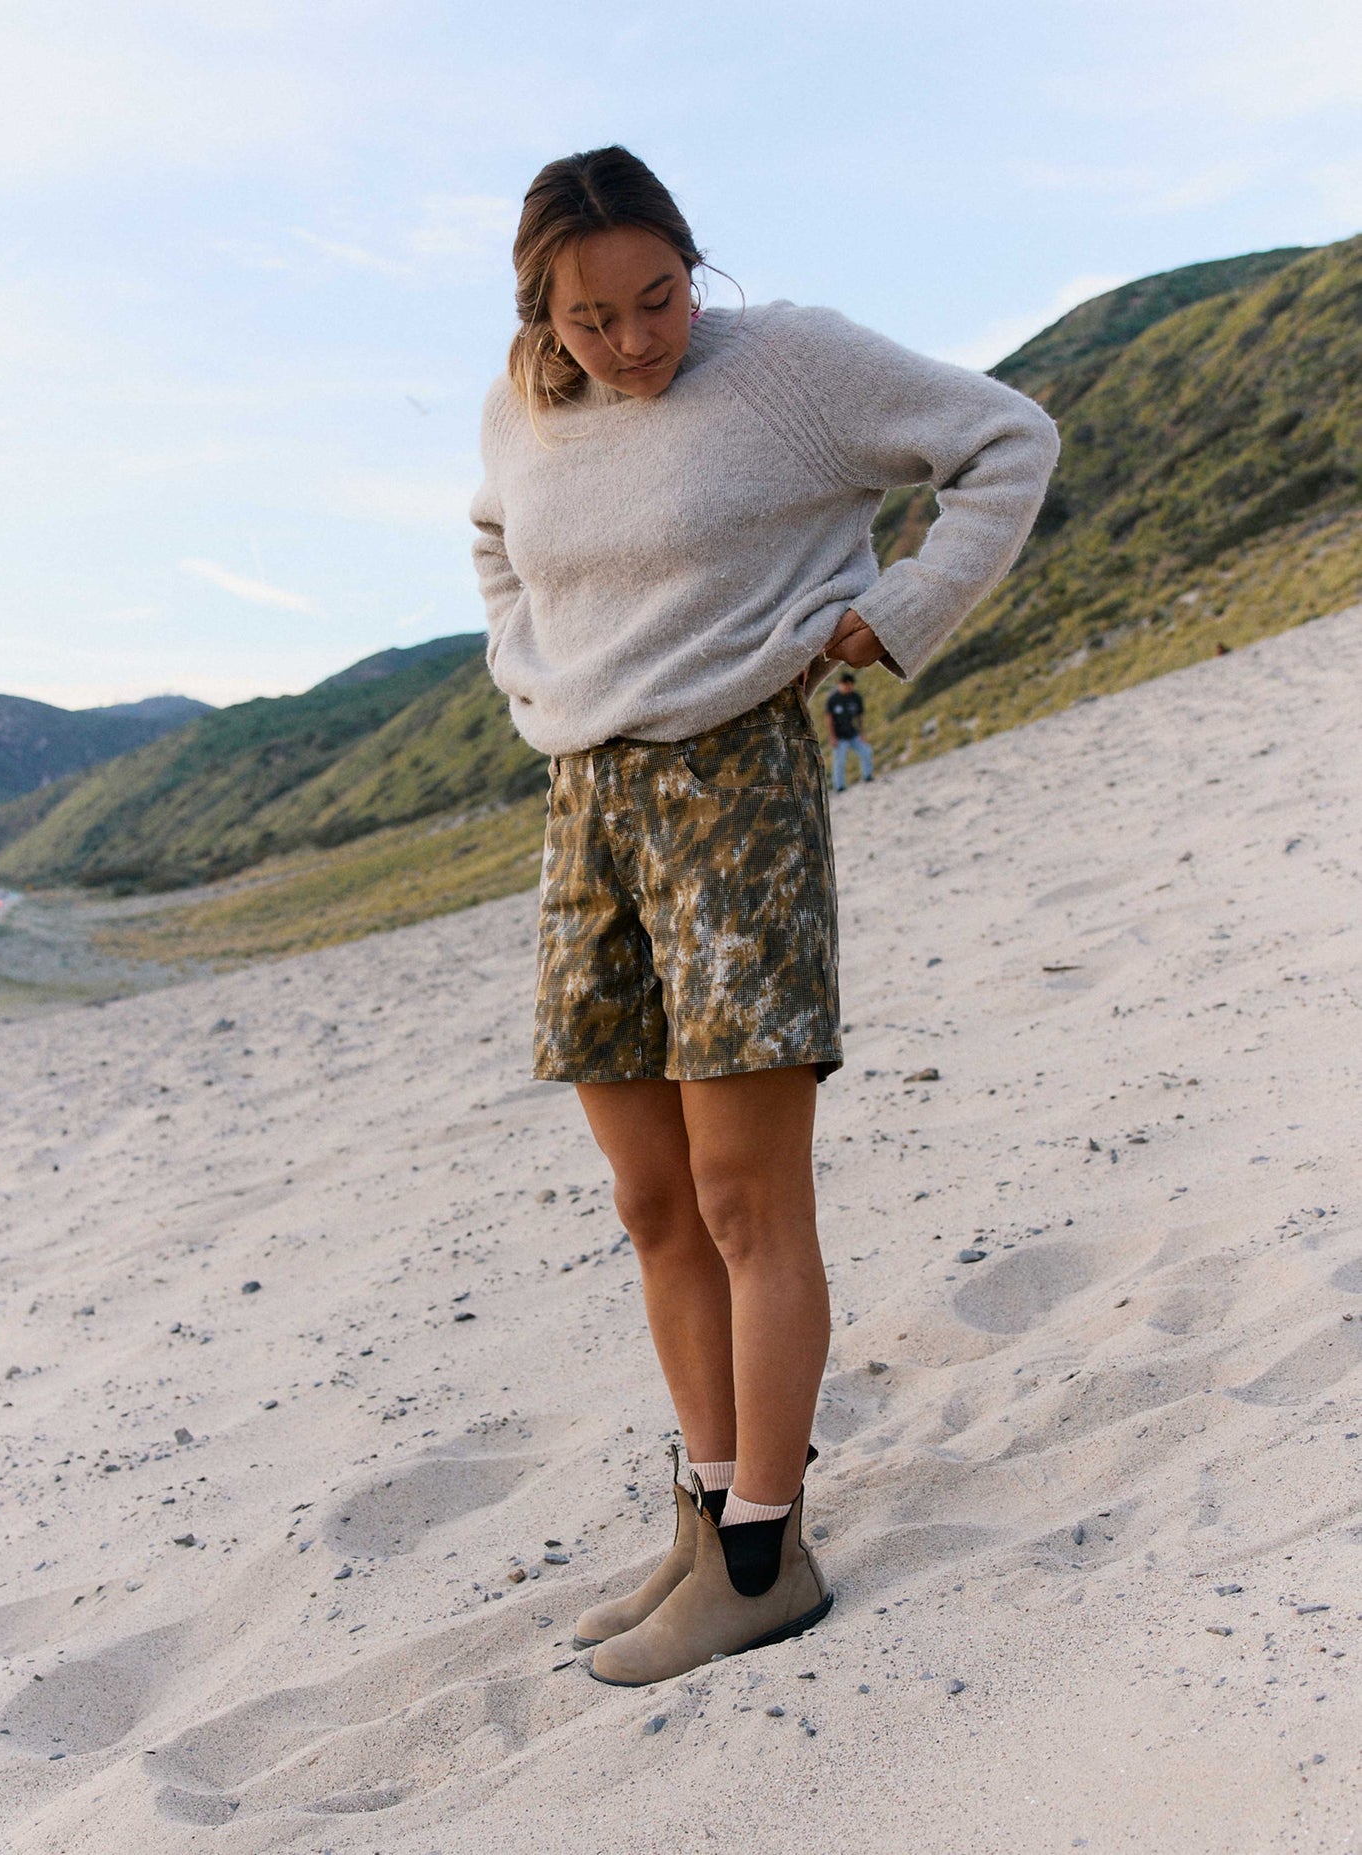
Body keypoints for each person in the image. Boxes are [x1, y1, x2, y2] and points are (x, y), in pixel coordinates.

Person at [470, 146, 1057, 1686]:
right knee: (651, 1205)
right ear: (540, 307)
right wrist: (532, 678)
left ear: (693, 268)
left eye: (658, 297)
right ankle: (706, 1514)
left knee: (743, 1201)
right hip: (585, 810)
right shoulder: (523, 400)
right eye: (590, 316)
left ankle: (766, 1552)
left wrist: (905, 609)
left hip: (739, 793)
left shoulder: (788, 360)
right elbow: (492, 544)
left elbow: (1008, 439)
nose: (633, 339)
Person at [825, 671, 872, 791]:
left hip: (852, 733)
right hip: (839, 736)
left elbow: (859, 717)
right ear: (841, 684)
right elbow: (829, 720)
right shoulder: (833, 699)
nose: (848, 687)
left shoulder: (855, 697)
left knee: (866, 751)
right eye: (846, 685)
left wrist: (861, 733)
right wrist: (832, 737)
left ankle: (867, 776)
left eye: (851, 685)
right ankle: (839, 786)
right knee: (839, 761)